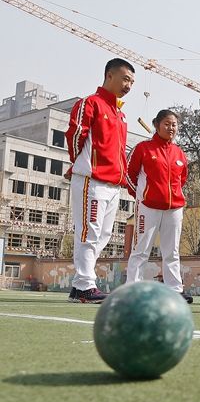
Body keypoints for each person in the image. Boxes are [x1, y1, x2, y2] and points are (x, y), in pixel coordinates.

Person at [65, 58, 135, 303]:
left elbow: (120, 152)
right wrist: (82, 164)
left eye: (132, 82)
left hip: (113, 185)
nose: (128, 86)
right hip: (92, 180)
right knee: (89, 232)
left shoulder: (121, 115)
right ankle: (86, 285)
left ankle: (79, 285)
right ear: (109, 76)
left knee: (103, 236)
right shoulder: (90, 103)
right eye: (125, 79)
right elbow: (75, 135)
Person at [125, 109, 192, 303]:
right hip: (148, 207)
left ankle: (175, 289)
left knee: (172, 251)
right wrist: (142, 196)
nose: (171, 128)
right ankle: (132, 290)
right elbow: (129, 175)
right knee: (141, 249)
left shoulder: (179, 153)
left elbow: (182, 179)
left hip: (174, 208)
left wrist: (172, 197)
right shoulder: (143, 148)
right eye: (167, 124)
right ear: (156, 125)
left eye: (174, 125)